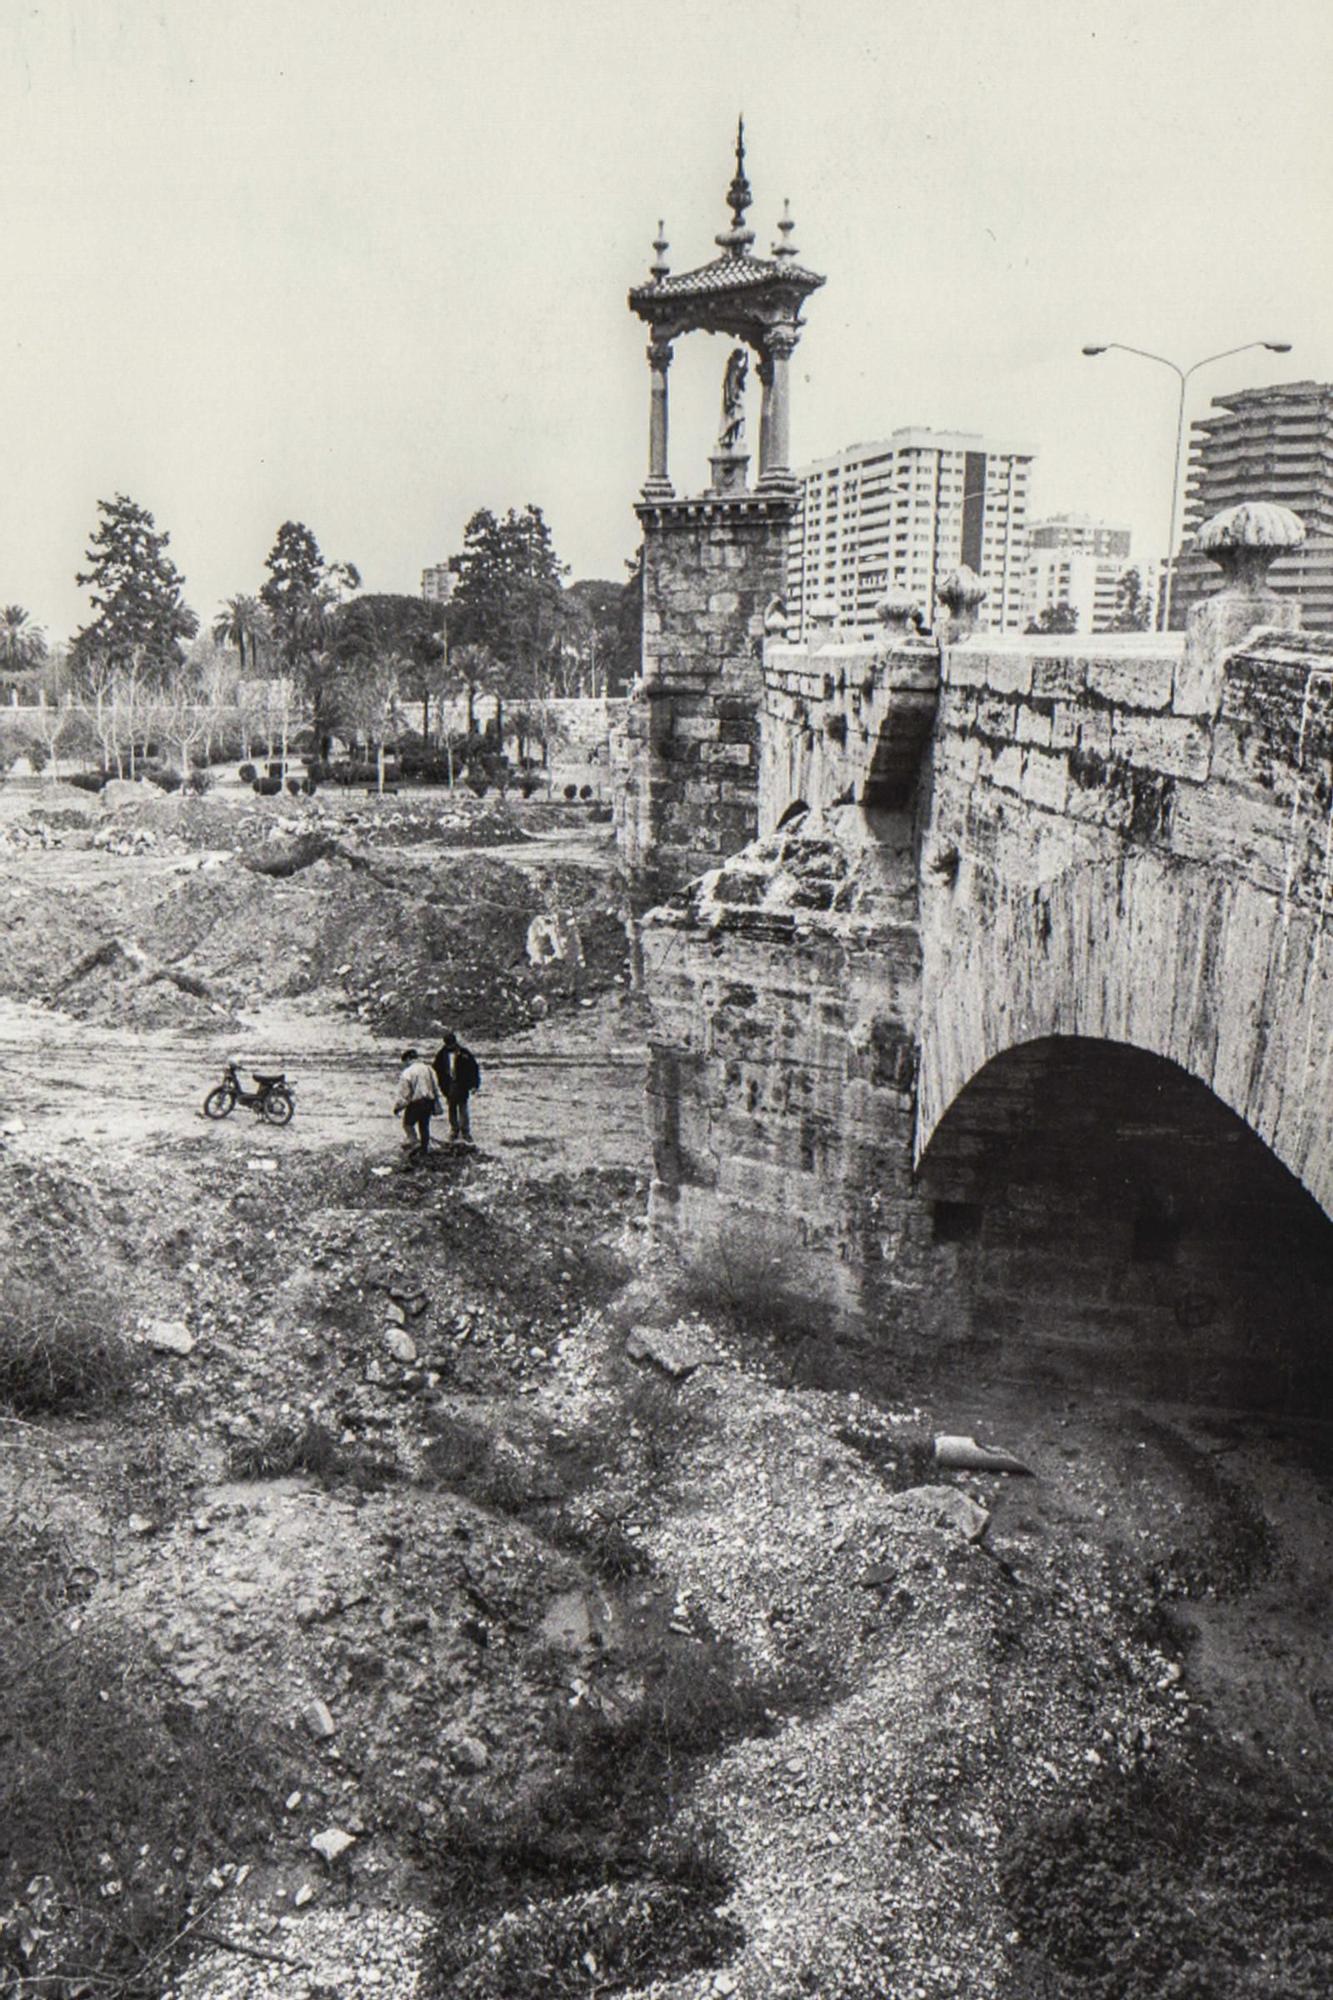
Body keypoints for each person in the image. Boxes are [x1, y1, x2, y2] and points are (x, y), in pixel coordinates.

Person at [433, 1029, 481, 1145]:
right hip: (449, 1086)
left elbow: (473, 1069)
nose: (450, 1046)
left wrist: (475, 1084)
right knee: (452, 1108)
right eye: (448, 1044)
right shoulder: (441, 1055)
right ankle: (454, 1130)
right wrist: (441, 1085)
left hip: (462, 1085)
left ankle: (465, 1132)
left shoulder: (464, 1053)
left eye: (452, 1044)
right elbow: (436, 1070)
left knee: (463, 1108)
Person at [394, 1048, 441, 1160]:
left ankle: (414, 1143)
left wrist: (398, 1107)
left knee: (408, 1124)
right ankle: (424, 1150)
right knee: (424, 1126)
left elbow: (405, 1094)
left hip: (416, 1103)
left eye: (405, 1062)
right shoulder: (429, 1069)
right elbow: (435, 1086)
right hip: (429, 1102)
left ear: (408, 1059)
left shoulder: (407, 1072)